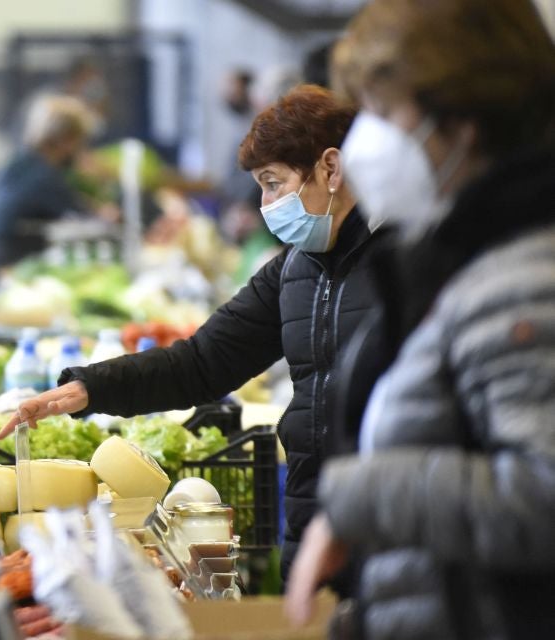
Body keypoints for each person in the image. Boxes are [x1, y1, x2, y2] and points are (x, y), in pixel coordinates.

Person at [0, 85, 380, 592]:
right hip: (310, 522)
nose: (266, 205)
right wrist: (90, 388)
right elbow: (203, 361)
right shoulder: (294, 270)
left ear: (331, 169)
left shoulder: (399, 267)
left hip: (380, 528)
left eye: (273, 183)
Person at [285, 1, 555, 637]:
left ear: (460, 122)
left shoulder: (522, 280)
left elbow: (544, 490)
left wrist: (359, 502)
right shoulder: (459, 257)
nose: (362, 147)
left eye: (382, 113)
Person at [0, 94, 97, 324]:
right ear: (66, 140)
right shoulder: (42, 175)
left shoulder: (18, 163)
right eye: (79, 142)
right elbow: (84, 215)